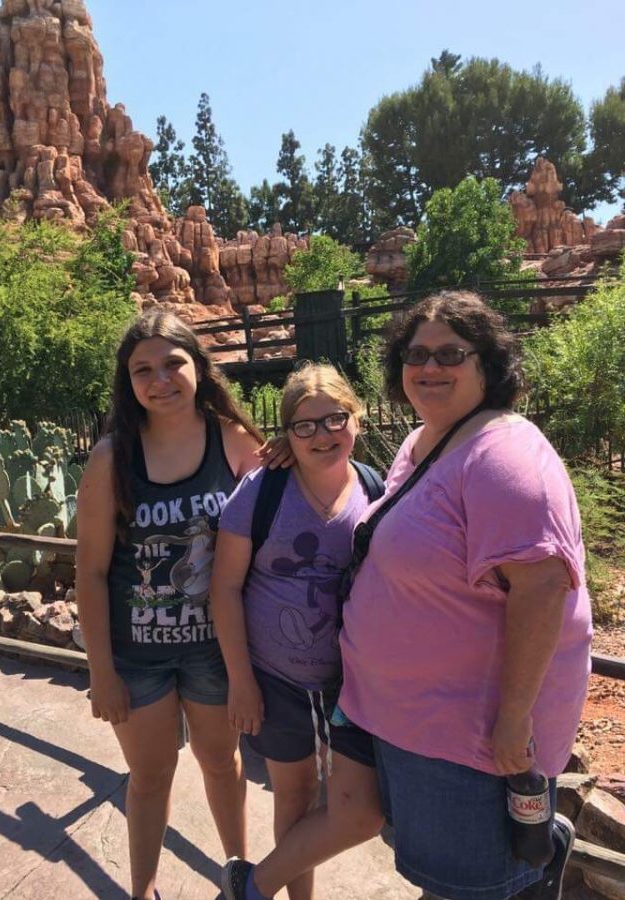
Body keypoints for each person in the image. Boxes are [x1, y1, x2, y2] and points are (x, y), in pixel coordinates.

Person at [337, 290, 592, 900]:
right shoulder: (426, 442)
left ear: (489, 365)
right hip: (419, 723)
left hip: (472, 740)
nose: (429, 367)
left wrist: (512, 721)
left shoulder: (504, 453)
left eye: (451, 353)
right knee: (453, 884)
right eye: (416, 354)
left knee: (471, 887)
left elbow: (543, 587)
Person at [75, 309, 264, 900]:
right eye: (143, 369)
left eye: (173, 363)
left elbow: (279, 512)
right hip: (138, 655)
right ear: (127, 382)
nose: (160, 379)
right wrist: (100, 672)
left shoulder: (232, 440)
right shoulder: (112, 458)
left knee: (220, 761)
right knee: (151, 775)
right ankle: (144, 889)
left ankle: (238, 872)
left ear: (199, 369)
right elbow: (92, 571)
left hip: (216, 648)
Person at [211, 364, 385, 900]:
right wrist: (241, 681)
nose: (322, 435)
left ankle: (254, 885)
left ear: (357, 418)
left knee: (354, 805)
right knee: (294, 796)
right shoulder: (262, 492)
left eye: (335, 419)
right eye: (304, 426)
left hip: (348, 681)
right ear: (286, 434)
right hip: (277, 677)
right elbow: (224, 589)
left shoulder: (377, 490)